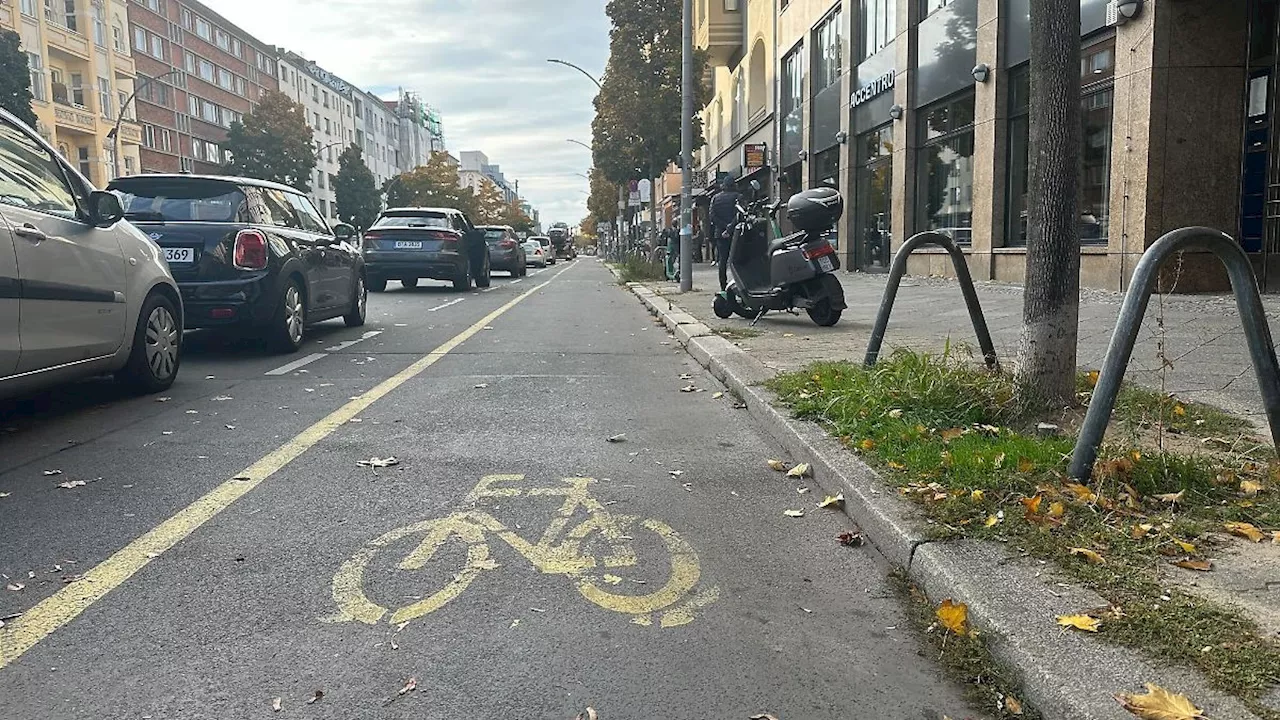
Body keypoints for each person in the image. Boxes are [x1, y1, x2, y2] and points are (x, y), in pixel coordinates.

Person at [708, 177, 741, 290]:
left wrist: (723, 227)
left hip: (720, 234)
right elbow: (740, 214)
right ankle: (740, 284)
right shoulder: (737, 196)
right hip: (736, 233)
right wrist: (730, 227)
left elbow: (712, 216)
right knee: (738, 259)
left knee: (722, 260)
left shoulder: (715, 198)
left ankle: (723, 286)